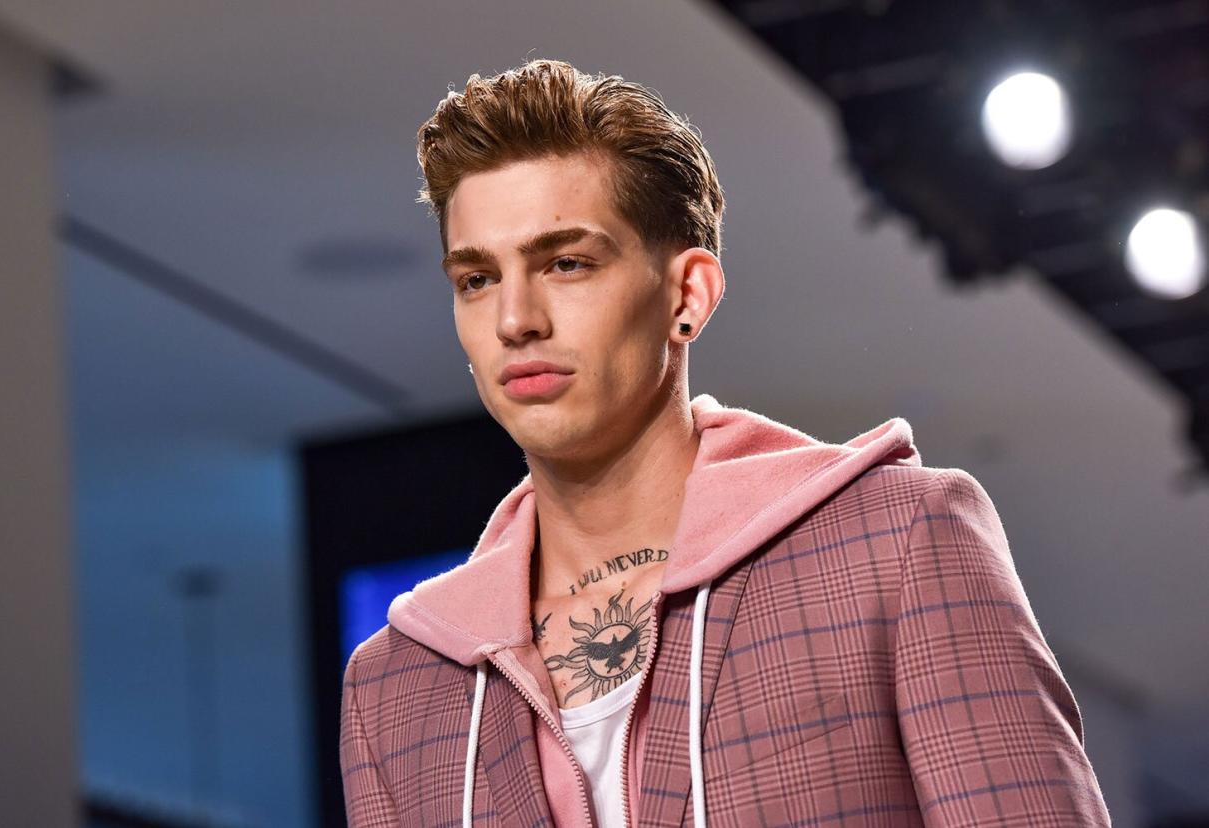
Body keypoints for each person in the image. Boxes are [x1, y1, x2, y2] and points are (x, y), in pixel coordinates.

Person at [339, 58, 1110, 827]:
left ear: (688, 295)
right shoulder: (401, 686)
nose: (515, 319)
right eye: (476, 280)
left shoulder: (895, 541)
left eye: (566, 263)